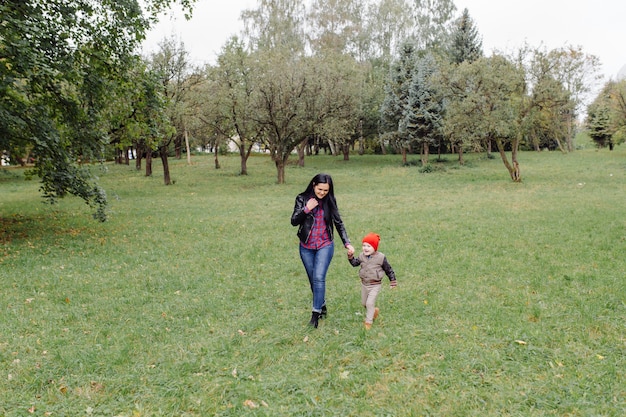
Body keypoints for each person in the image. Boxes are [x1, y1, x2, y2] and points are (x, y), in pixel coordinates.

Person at [291, 173, 355, 328]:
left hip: (325, 245)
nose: (322, 193)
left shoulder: (330, 201)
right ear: (314, 185)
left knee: (319, 278)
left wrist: (347, 243)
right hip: (306, 247)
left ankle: (315, 314)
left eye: (326, 190)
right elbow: (294, 221)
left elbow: (338, 223)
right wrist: (307, 209)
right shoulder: (302, 198)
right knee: (313, 279)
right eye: (320, 189)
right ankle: (322, 304)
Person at [348, 232, 397, 330]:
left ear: (375, 247)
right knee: (364, 303)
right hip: (364, 284)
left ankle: (368, 322)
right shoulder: (362, 256)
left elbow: (388, 269)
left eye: (369, 246)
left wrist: (393, 281)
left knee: (370, 303)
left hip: (375, 285)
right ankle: (373, 311)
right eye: (364, 245)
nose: (365, 248)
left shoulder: (381, 257)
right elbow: (354, 263)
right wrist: (350, 257)